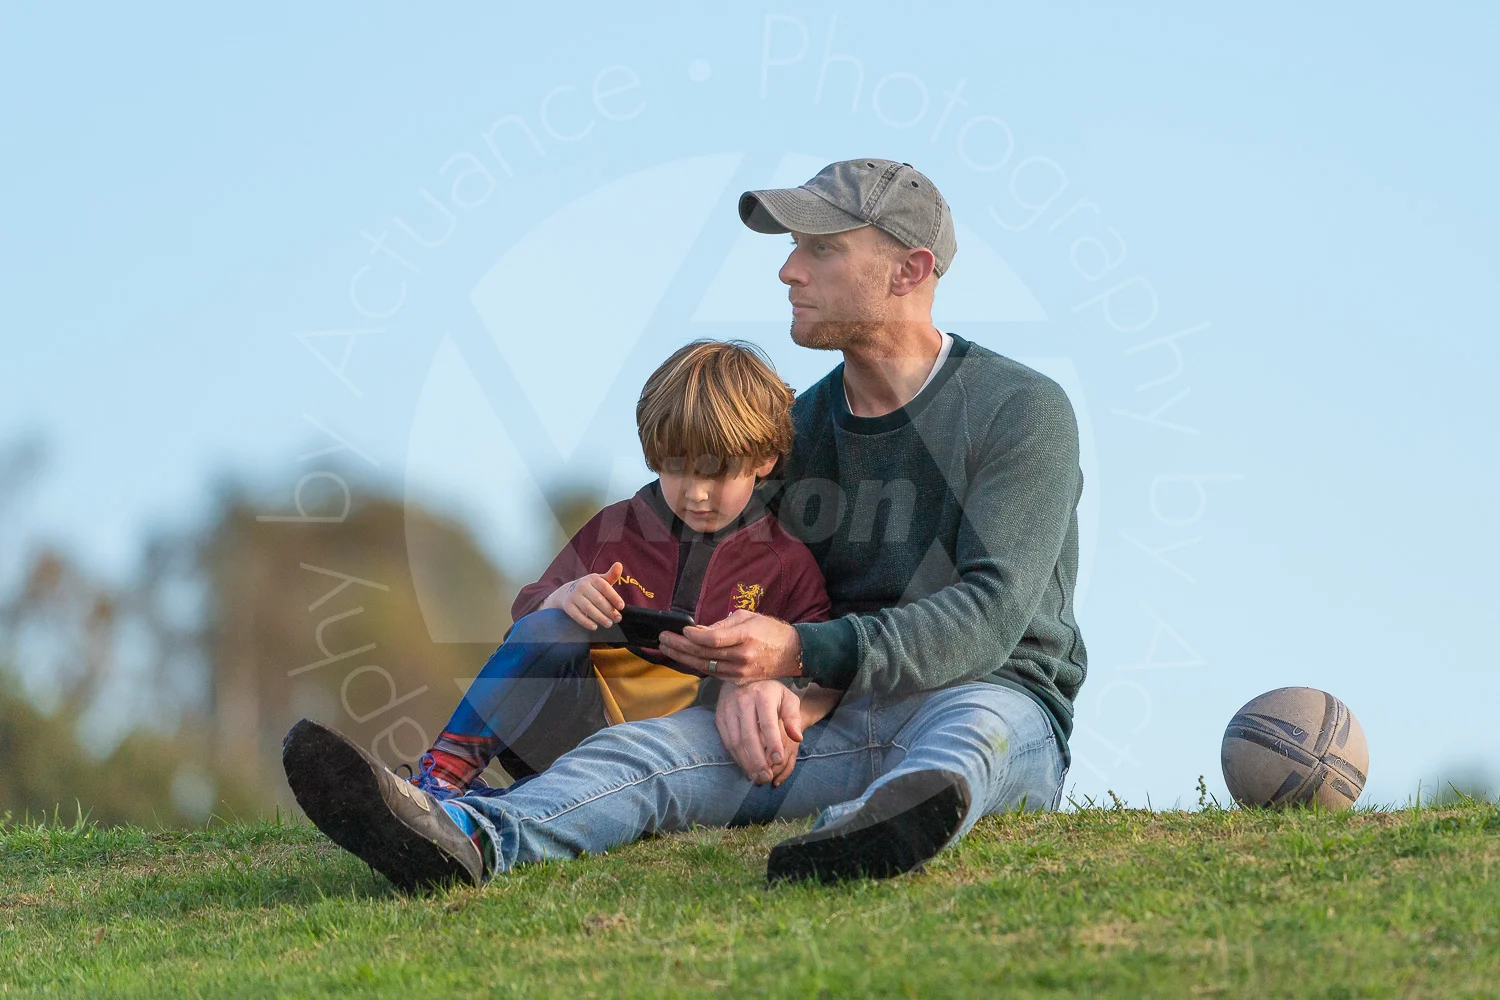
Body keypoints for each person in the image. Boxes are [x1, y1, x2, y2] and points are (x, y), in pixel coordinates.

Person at [283, 158, 1088, 890]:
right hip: (825, 714)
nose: (788, 268)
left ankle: (865, 838)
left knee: (965, 744)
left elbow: (990, 615)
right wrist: (751, 676)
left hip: (994, 695)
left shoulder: (1021, 410)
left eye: (822, 250)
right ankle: (465, 833)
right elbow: (675, 538)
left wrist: (793, 654)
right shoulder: (790, 434)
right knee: (648, 755)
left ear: (910, 270)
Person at [399, 339, 834, 805]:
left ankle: (503, 805)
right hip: (576, 728)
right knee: (549, 625)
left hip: (692, 747)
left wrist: (783, 703)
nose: (697, 494)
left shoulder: (785, 560)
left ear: (764, 460)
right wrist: (564, 596)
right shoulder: (613, 528)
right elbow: (527, 615)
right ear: (653, 453)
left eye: (719, 474)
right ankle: (443, 775)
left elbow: (827, 660)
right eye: (678, 468)